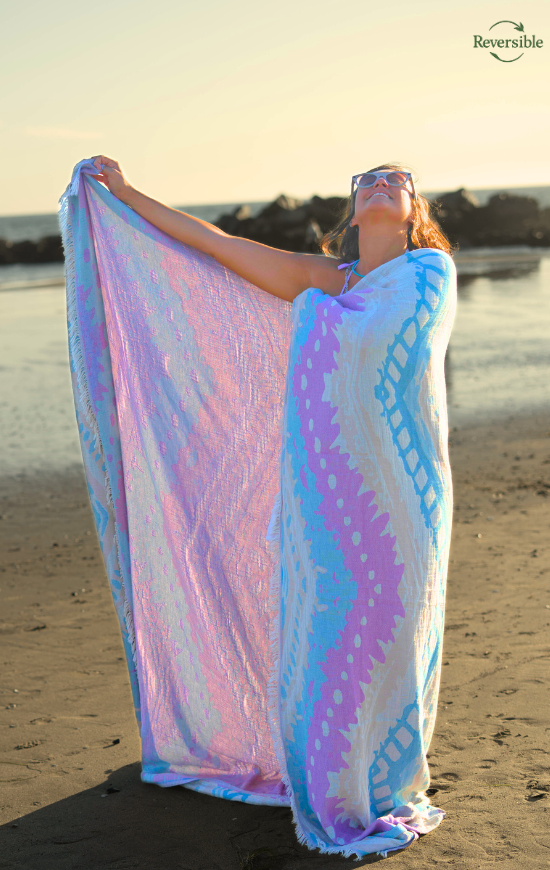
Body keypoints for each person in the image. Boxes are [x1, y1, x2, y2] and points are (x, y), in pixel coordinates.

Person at [77, 156, 457, 857]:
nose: (379, 183)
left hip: (401, 495)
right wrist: (128, 197)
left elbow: (377, 343)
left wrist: (321, 312)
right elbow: (220, 247)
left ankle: (384, 779)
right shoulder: (325, 282)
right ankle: (334, 780)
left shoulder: (430, 274)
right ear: (349, 213)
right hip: (325, 498)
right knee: (329, 635)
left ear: (415, 209)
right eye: (366, 178)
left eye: (396, 179)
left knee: (392, 637)